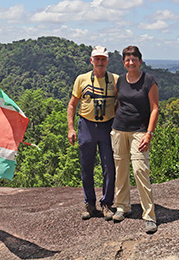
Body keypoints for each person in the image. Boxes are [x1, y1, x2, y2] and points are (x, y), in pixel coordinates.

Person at [110, 45, 159, 233]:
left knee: (140, 170)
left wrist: (149, 133)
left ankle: (149, 215)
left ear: (140, 60)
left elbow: (155, 108)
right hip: (119, 129)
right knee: (120, 170)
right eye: (127, 60)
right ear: (123, 62)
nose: (131, 62)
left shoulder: (149, 81)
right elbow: (119, 103)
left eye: (134, 59)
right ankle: (122, 207)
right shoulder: (120, 81)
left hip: (140, 131)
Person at [67, 46, 119, 221]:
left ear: (108, 61)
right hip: (87, 126)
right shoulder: (82, 79)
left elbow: (122, 102)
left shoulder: (115, 80)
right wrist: (71, 128)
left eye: (103, 59)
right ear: (91, 60)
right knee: (86, 167)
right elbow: (72, 105)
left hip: (107, 127)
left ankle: (107, 204)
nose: (100, 62)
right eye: (97, 58)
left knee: (109, 167)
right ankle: (89, 203)